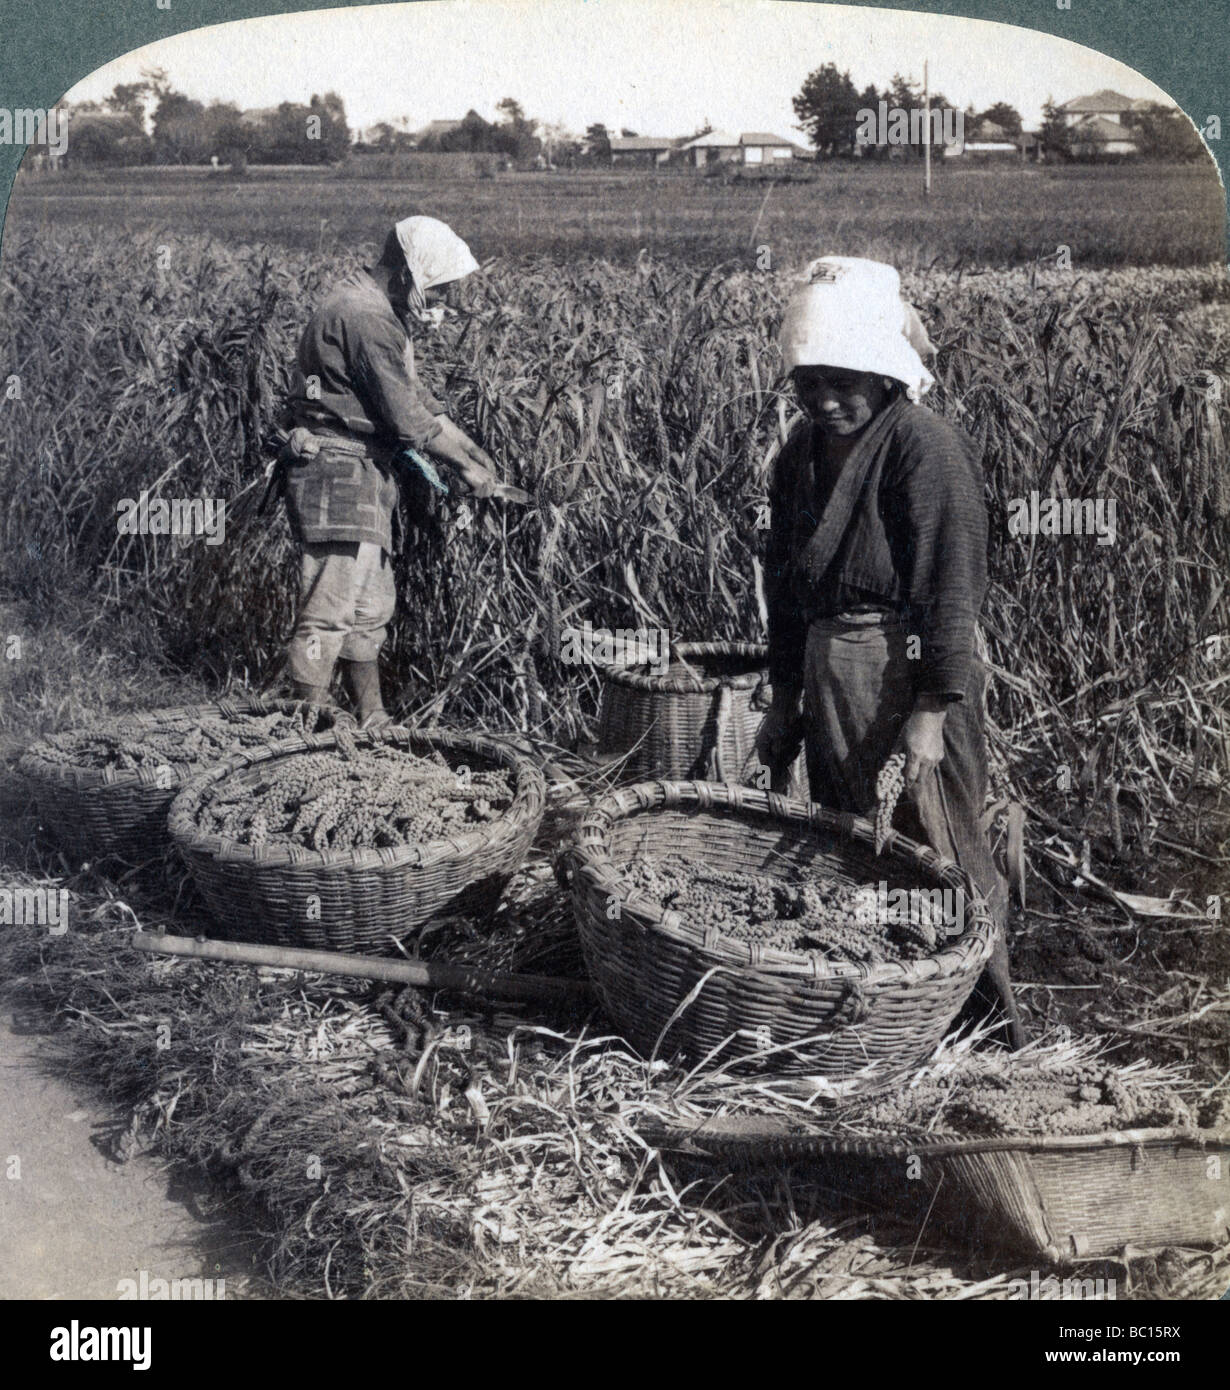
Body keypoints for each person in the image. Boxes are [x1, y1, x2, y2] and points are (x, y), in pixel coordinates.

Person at [755, 256, 1025, 1048]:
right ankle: (888, 1017)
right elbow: (785, 587)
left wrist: (932, 712)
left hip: (902, 673)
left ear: (884, 376)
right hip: (828, 668)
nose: (826, 400)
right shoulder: (798, 454)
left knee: (939, 845)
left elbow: (951, 584)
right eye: (809, 383)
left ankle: (985, 1021)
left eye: (845, 382)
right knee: (857, 847)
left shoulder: (922, 446)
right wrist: (785, 699)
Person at [275, 215, 525, 728]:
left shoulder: (377, 309)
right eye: (439, 288)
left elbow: (418, 404)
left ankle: (373, 717)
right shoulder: (364, 316)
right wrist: (469, 472)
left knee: (368, 608)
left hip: (365, 472)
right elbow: (406, 418)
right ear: (409, 273)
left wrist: (474, 454)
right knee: (329, 608)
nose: (445, 301)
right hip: (338, 470)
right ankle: (307, 723)